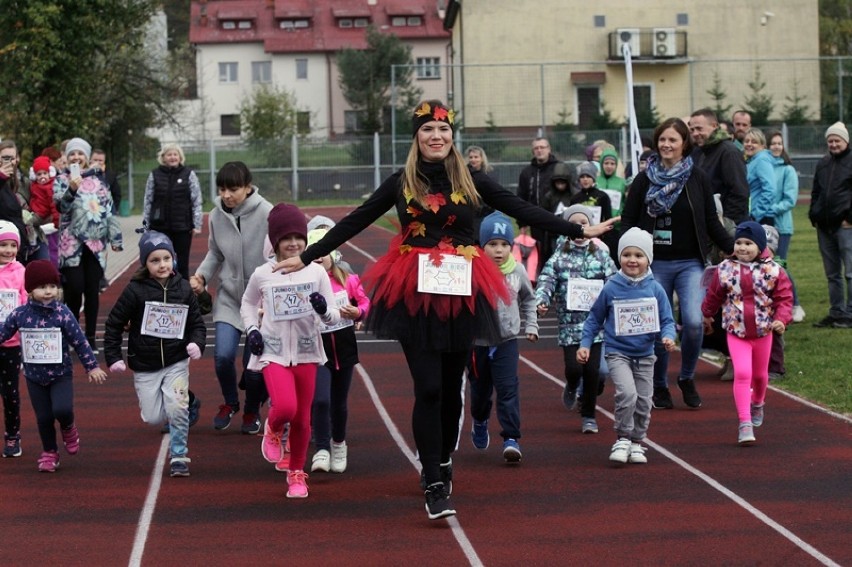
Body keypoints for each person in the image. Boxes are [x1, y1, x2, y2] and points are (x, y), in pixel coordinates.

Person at [277, 100, 617, 520]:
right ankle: (433, 479)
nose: (436, 137)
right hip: (413, 291)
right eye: (427, 130)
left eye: (443, 130)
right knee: (429, 387)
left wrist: (577, 228)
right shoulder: (402, 181)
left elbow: (521, 209)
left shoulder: (472, 180)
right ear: (416, 137)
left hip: (463, 290)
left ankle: (442, 456)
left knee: (454, 385)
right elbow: (357, 220)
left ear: (452, 136)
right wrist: (308, 256)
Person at [621, 117, 734, 410]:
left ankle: (686, 377)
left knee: (695, 323)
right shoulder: (644, 179)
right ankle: (659, 384)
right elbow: (629, 220)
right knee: (658, 325)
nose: (667, 145)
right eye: (662, 140)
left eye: (673, 140)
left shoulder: (698, 177)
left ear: (684, 144)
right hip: (655, 264)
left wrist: (734, 248)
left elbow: (711, 220)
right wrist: (625, 253)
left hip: (690, 263)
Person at [241, 203, 340, 498]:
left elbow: (333, 315)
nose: (293, 243)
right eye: (286, 238)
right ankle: (272, 428)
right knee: (285, 407)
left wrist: (324, 311)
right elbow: (247, 304)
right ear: (274, 241)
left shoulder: (316, 272)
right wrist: (253, 330)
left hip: (308, 351)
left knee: (302, 419)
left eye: (299, 236)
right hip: (272, 350)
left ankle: (297, 473)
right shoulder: (263, 273)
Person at [103, 231, 206, 477]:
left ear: (174, 259)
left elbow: (197, 324)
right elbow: (114, 323)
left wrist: (196, 344)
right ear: (145, 263)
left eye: (166, 259)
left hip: (175, 360)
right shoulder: (135, 290)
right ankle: (189, 400)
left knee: (176, 408)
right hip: (145, 364)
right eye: (155, 260)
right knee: (152, 417)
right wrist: (114, 356)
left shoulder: (183, 288)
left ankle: (179, 455)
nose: (162, 265)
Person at [578, 228, 677, 464]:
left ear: (648, 259)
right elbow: (594, 318)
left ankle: (636, 442)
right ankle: (622, 438)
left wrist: (668, 336)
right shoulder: (612, 287)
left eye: (639, 255)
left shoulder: (655, 289)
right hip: (617, 352)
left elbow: (667, 320)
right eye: (627, 254)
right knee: (627, 394)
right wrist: (585, 344)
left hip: (645, 354)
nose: (632, 260)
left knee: (644, 401)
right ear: (619, 257)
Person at [0, 260, 107, 472]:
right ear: (30, 290)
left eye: (52, 286)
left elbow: (79, 341)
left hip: (60, 374)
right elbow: (3, 334)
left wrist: (92, 367)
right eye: (42, 287)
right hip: (34, 377)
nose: (48, 292)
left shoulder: (62, 313)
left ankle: (68, 426)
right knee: (44, 417)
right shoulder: (20, 314)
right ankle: (50, 452)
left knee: (62, 409)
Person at [190, 161, 272, 431]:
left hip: (259, 301)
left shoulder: (267, 213)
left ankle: (252, 409)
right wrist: (202, 276)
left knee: (254, 365)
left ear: (248, 187)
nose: (226, 195)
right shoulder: (216, 215)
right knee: (223, 356)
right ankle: (230, 402)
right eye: (222, 189)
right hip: (229, 297)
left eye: (233, 189)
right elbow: (215, 252)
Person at [701, 222, 793, 445]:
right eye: (739, 242)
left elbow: (784, 299)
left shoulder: (773, 271)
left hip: (763, 332)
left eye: (748, 243)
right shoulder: (725, 269)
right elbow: (714, 295)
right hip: (736, 331)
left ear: (759, 246)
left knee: (760, 376)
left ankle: (758, 402)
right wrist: (707, 314)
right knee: (742, 373)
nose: (742, 247)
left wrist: (781, 319)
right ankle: (744, 423)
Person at [535, 205, 617, 434]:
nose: (581, 227)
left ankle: (589, 415)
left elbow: (614, 281)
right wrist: (542, 300)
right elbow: (547, 280)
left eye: (585, 222)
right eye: (576, 223)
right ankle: (571, 385)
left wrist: (618, 302)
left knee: (593, 372)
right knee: (574, 369)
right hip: (570, 324)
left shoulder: (601, 255)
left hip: (596, 325)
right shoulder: (559, 256)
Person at [468, 212, 538, 462]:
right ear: (482, 245)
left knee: (508, 390)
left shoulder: (517, 270)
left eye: (504, 245)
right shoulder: (472, 270)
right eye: (492, 245)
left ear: (512, 246)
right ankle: (479, 420)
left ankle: (511, 438)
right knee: (479, 394)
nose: (499, 250)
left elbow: (529, 299)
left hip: (507, 341)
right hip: (477, 344)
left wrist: (532, 325)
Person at [308, 227, 370, 474]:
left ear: (333, 254)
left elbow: (364, 302)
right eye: (314, 251)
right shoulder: (307, 283)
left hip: (344, 347)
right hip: (317, 349)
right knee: (321, 399)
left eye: (323, 250)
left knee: (339, 403)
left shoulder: (347, 279)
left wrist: (359, 312)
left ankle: (338, 444)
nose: (319, 255)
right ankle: (321, 448)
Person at [53, 137, 123, 351]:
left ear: (87, 157)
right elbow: (61, 207)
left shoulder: (100, 181)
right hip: (71, 243)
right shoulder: (62, 180)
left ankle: (90, 339)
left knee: (92, 291)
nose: (76, 157)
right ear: (67, 157)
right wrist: (72, 189)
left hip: (95, 244)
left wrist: (116, 239)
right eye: (72, 154)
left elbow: (109, 210)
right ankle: (72, 335)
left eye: (80, 154)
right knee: (74, 289)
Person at [809, 122, 852, 329]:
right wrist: (813, 214)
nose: (834, 144)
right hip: (824, 226)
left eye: (837, 140)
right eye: (830, 140)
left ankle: (850, 314)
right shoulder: (823, 163)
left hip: (845, 226)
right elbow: (816, 190)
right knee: (832, 273)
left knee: (850, 272)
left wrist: (850, 218)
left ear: (846, 141)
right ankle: (836, 312)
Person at [143, 144, 203, 280]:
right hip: (159, 227)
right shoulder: (154, 175)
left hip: (182, 226)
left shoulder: (189, 174)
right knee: (160, 261)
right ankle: (160, 290)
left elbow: (196, 200)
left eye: (175, 154)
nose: (172, 157)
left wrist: (197, 224)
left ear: (180, 157)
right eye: (169, 154)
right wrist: (146, 225)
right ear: (163, 158)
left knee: (181, 262)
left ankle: (182, 292)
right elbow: (148, 200)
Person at [767, 131, 805, 323]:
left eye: (779, 143)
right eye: (772, 143)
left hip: (781, 227)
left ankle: (795, 304)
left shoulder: (787, 170)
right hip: (763, 225)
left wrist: (768, 209)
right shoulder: (761, 166)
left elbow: (790, 200)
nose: (776, 146)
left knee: (780, 264)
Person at [688, 108, 750, 224]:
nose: (695, 133)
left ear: (714, 126)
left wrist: (725, 225)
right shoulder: (699, 152)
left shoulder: (728, 152)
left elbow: (739, 193)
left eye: (699, 128)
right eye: (692, 130)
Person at [0, 222, 27, 458]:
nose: (8, 250)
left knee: (10, 393)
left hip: (10, 344)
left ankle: (12, 435)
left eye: (12, 245)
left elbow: (27, 301)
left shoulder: (21, 272)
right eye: (3, 245)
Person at [517, 137, 563, 274]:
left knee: (556, 253)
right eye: (536, 148)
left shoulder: (558, 168)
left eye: (542, 147)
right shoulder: (527, 172)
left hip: (556, 221)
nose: (539, 150)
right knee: (537, 254)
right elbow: (521, 197)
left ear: (549, 149)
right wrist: (522, 223)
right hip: (535, 220)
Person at [27, 156, 61, 266]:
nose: (42, 177)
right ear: (34, 175)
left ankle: (33, 242)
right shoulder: (34, 186)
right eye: (39, 174)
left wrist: (56, 220)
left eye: (44, 173)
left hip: (42, 213)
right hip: (36, 211)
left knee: (29, 223)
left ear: (49, 173)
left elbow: (53, 204)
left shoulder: (49, 187)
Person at [0, 142, 28, 262]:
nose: (9, 162)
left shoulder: (21, 181)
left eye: (12, 158)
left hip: (17, 246)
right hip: (4, 248)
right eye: (5, 158)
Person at [743, 128, 776, 225]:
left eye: (754, 142)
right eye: (746, 141)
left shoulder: (761, 160)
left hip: (761, 218)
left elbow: (770, 189)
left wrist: (755, 215)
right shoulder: (751, 161)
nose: (749, 144)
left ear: (762, 146)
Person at [596, 147, 627, 218]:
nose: (609, 166)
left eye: (612, 164)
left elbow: (625, 203)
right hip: (598, 223)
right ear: (601, 164)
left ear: (616, 165)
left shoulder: (622, 182)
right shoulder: (596, 181)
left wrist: (620, 215)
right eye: (606, 163)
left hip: (617, 223)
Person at [89, 149, 121, 215]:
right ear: (90, 160)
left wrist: (114, 210)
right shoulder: (84, 174)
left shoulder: (110, 176)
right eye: (95, 160)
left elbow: (117, 194)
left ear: (104, 161)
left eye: (100, 160)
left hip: (106, 211)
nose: (97, 162)